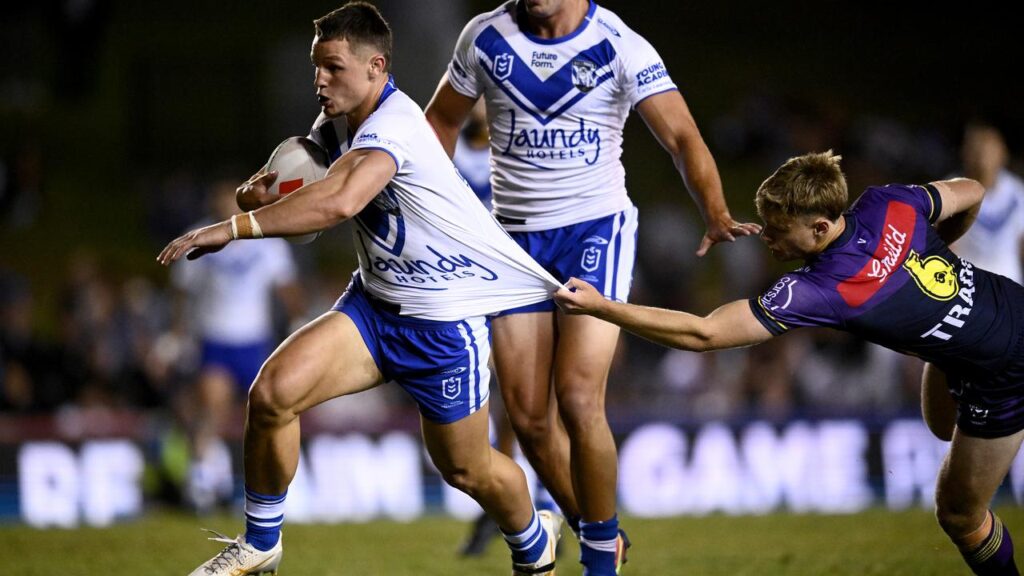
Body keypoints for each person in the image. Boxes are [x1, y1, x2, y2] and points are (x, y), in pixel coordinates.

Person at [158, 4, 568, 574]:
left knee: (467, 470)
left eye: (333, 67)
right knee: (273, 394)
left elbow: (340, 200)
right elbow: (306, 176)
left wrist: (233, 227)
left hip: (441, 323)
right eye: (316, 67)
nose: (319, 80)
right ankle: (260, 543)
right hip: (373, 308)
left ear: (376, 67)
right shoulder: (337, 123)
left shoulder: (393, 126)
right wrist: (262, 191)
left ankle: (533, 542)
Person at [556, 150, 1021, 576]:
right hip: (1006, 313)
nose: (768, 240)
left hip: (1002, 371)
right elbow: (973, 191)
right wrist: (936, 247)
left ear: (820, 228)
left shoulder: (821, 290)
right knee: (941, 425)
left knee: (959, 512)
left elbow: (705, 333)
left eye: (778, 230)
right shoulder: (888, 202)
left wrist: (603, 308)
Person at [423, 1, 759, 573]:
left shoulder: (620, 45)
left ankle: (599, 562)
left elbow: (680, 135)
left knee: (578, 398)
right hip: (512, 243)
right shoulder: (484, 36)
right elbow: (441, 121)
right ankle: (601, 531)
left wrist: (715, 210)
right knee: (527, 418)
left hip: (594, 232)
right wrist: (435, 205)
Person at [169, 177, 304, 513]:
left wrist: (298, 321)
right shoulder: (201, 234)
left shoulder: (267, 237)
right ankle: (202, 482)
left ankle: (271, 486)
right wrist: (176, 333)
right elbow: (183, 293)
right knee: (211, 413)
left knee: (266, 416)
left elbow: (287, 288)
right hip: (215, 340)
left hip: (255, 343)